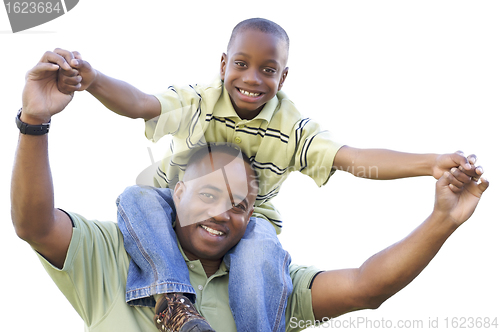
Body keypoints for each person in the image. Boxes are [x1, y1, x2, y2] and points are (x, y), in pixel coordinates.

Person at [53, 18, 483, 331]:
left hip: (250, 220)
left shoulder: (292, 127)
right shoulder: (202, 99)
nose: (252, 79)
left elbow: (351, 159)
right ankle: (173, 301)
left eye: (268, 70)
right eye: (241, 64)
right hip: (174, 206)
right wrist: (94, 81)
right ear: (223, 64)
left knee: (261, 250)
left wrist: (428, 163)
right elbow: (142, 104)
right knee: (137, 196)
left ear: (284, 75)